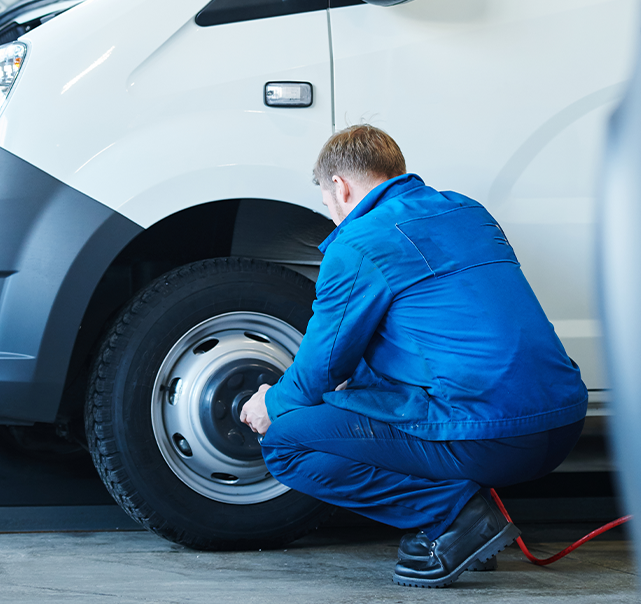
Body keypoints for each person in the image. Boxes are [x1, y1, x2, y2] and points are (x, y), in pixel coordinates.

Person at [239, 125, 588, 587]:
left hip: (493, 437)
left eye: (327, 202)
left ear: (340, 187)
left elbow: (317, 373)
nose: (333, 214)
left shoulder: (358, 242)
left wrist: (272, 403)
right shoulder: (467, 211)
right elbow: (441, 332)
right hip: (563, 422)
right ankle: (465, 528)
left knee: (286, 442)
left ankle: (459, 519)